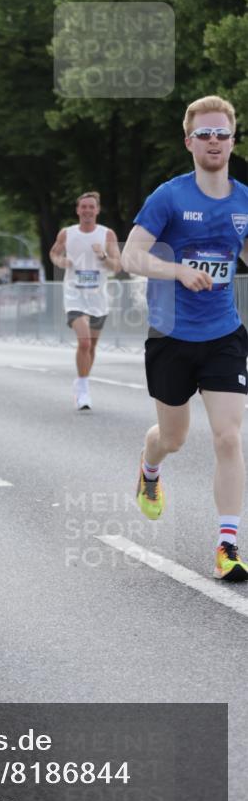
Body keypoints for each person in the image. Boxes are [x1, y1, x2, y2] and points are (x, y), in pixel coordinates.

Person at [122, 95, 248, 583]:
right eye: (204, 134)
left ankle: (227, 545)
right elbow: (131, 257)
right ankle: (149, 468)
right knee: (173, 437)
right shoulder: (169, 197)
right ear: (189, 141)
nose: (213, 141)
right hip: (171, 336)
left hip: (223, 334)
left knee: (229, 436)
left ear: (233, 140)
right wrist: (177, 269)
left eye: (222, 134)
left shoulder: (243, 200)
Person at [49, 192, 121, 409]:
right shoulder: (67, 233)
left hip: (98, 297)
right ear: (77, 210)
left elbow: (117, 267)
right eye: (84, 207)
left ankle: (82, 381)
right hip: (74, 295)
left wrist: (103, 257)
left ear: (97, 210)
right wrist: (61, 261)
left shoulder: (106, 234)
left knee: (92, 347)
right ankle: (83, 390)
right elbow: (53, 253)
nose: (87, 210)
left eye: (91, 207)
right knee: (85, 341)